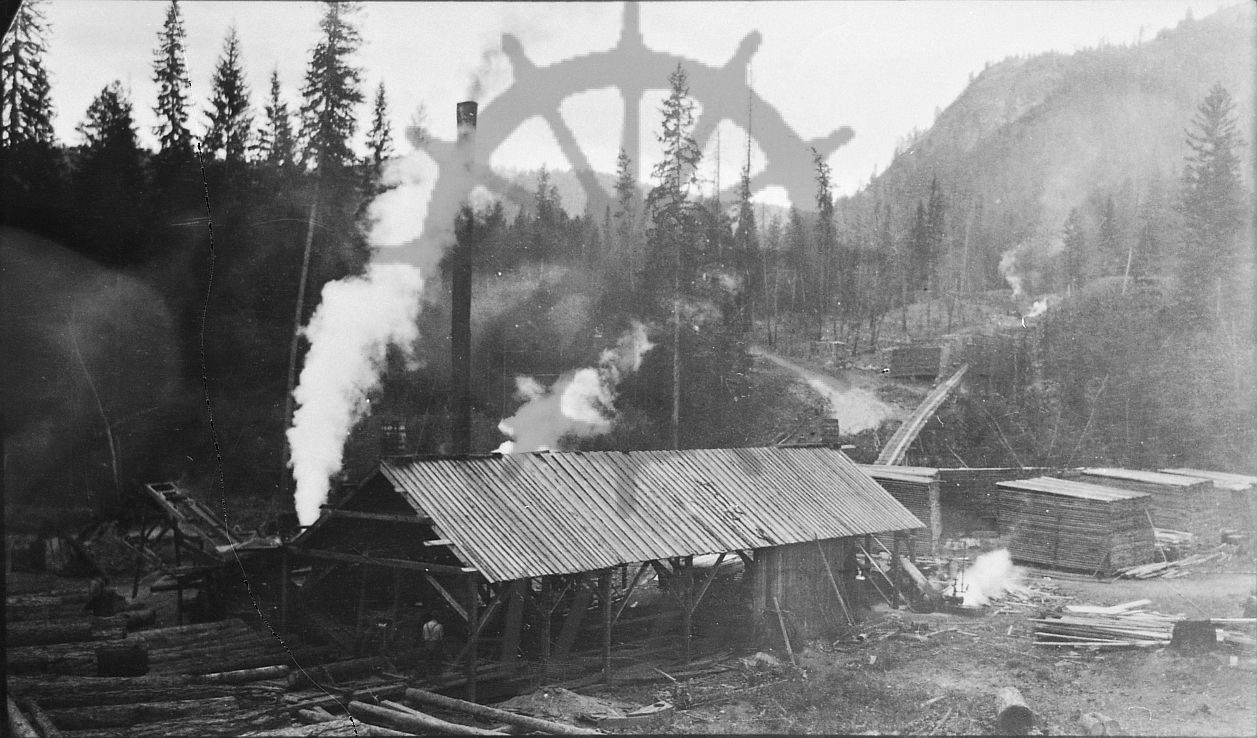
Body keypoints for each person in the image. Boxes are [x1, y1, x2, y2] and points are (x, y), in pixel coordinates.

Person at [420, 611, 445, 676]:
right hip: (435, 644)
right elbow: (441, 638)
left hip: (427, 644)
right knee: (436, 661)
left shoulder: (425, 625)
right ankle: (436, 675)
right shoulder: (439, 626)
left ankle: (428, 674)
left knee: (428, 661)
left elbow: (423, 636)